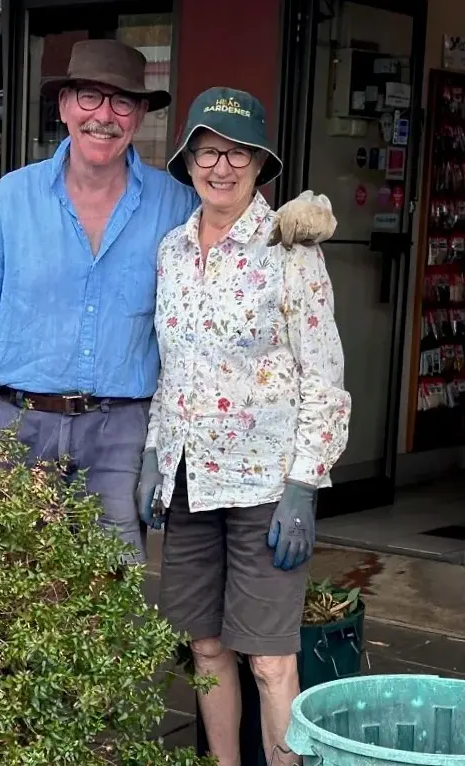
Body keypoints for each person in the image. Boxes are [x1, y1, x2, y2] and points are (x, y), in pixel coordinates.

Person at [0, 38, 337, 564]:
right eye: (89, 97)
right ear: (64, 106)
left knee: (114, 597)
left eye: (122, 102)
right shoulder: (7, 200)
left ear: (138, 118)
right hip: (20, 429)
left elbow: (237, 212)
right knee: (10, 589)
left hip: (120, 436)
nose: (103, 117)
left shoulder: (175, 203)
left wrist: (303, 212)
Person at [136, 87, 351, 765]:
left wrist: (303, 485)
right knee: (204, 647)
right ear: (187, 160)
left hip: (263, 484)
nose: (219, 166)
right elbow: (170, 366)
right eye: (206, 150)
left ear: (260, 164)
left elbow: (322, 377)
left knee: (269, 660)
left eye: (236, 152)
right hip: (189, 480)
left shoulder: (289, 250)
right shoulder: (171, 251)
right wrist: (152, 453)